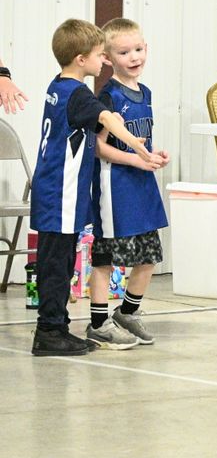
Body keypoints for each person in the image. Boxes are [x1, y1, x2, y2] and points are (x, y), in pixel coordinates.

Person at [29, 19, 163, 356]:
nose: (103, 60)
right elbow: (107, 119)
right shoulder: (79, 94)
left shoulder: (58, 86)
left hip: (58, 192)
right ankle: (49, 332)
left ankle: (57, 326)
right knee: (56, 265)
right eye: (100, 55)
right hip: (59, 193)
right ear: (80, 59)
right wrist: (138, 147)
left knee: (60, 263)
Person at [86, 19, 171, 349]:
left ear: (146, 48)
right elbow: (98, 147)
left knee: (149, 255)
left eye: (138, 49)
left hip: (142, 186)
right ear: (107, 58)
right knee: (106, 258)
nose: (134, 57)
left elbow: (140, 141)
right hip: (115, 188)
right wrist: (136, 159)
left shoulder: (145, 93)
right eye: (124, 52)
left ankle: (127, 313)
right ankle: (98, 323)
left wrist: (152, 155)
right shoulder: (107, 97)